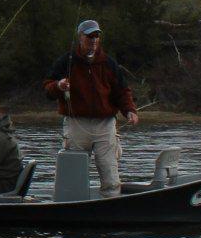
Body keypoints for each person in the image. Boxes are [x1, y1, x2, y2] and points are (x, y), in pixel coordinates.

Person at [43, 18, 137, 195]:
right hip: (76, 123)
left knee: (109, 167)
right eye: (89, 36)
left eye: (96, 36)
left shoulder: (109, 64)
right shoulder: (66, 61)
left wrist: (129, 110)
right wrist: (58, 86)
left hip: (105, 124)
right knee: (74, 169)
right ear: (81, 37)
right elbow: (48, 88)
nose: (93, 40)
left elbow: (122, 91)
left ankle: (111, 201)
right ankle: (72, 202)